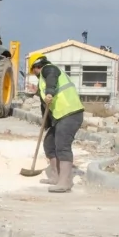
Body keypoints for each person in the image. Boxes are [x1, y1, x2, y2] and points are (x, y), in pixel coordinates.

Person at [29, 53, 84, 193]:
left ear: (36, 66)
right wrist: (46, 125)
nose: (33, 74)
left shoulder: (49, 69)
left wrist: (49, 92)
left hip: (70, 113)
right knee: (49, 143)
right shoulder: (43, 81)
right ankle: (56, 177)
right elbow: (45, 106)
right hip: (60, 116)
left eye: (33, 70)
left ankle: (65, 182)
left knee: (62, 146)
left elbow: (52, 77)